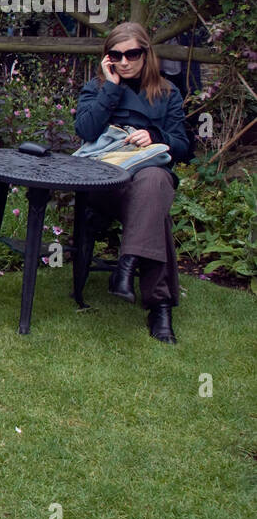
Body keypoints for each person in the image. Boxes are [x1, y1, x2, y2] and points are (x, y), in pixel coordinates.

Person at [75, 22, 190, 343]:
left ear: (146, 54)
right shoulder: (97, 88)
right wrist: (111, 88)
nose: (124, 62)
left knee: (154, 181)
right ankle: (159, 305)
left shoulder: (167, 92)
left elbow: (183, 146)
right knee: (156, 208)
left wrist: (155, 137)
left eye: (132, 54)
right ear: (107, 58)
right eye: (116, 55)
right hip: (105, 185)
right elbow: (85, 130)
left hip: (146, 181)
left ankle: (127, 268)